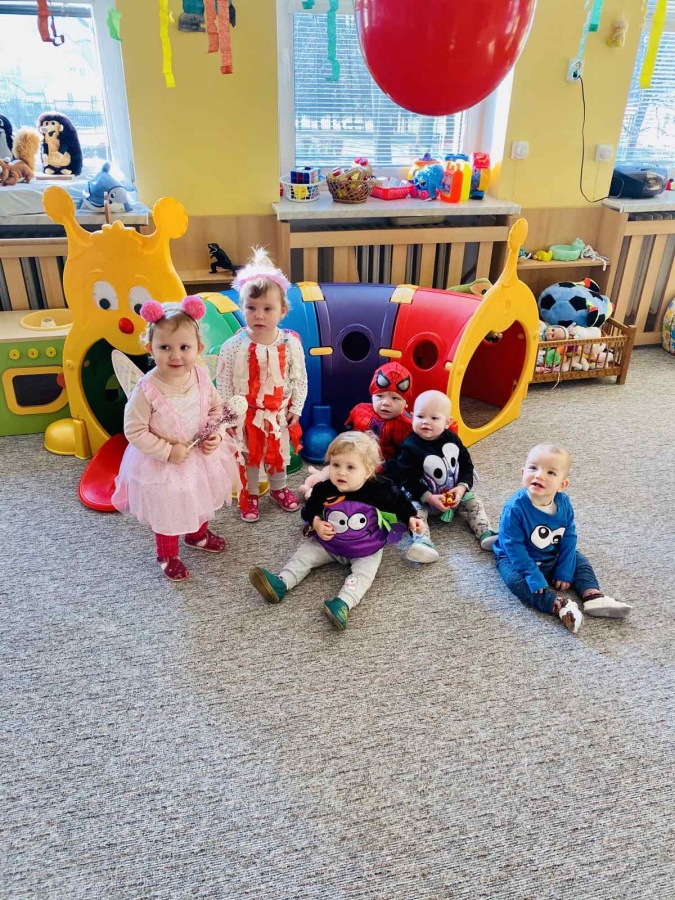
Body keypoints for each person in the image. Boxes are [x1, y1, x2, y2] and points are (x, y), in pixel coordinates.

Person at [111, 297, 240, 581]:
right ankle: (167, 554)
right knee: (168, 510)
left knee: (201, 495)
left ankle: (197, 535)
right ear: (150, 349)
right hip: (163, 464)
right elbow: (135, 431)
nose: (175, 356)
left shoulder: (201, 376)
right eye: (165, 348)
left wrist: (215, 434)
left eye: (184, 347)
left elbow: (216, 409)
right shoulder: (146, 390)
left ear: (198, 348)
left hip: (200, 457)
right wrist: (167, 451)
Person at [248, 431, 425, 631]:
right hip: (329, 543)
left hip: (366, 549)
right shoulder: (324, 489)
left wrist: (411, 517)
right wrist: (316, 522)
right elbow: (310, 510)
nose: (341, 473)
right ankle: (281, 583)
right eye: (335, 465)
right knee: (304, 555)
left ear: (367, 471)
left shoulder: (380, 489)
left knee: (364, 576)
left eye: (350, 467)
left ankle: (343, 604)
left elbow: (400, 502)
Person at [493, 443, 632, 633]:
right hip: (517, 559)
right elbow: (513, 546)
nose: (539, 475)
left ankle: (592, 595)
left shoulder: (564, 503)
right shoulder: (515, 508)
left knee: (579, 560)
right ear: (523, 472)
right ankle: (559, 605)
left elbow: (569, 536)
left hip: (551, 553)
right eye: (533, 468)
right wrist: (532, 574)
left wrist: (565, 569)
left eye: (551, 472)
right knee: (515, 581)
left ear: (562, 485)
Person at [217, 247, 307, 522]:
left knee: (278, 453)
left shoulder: (290, 342)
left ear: (282, 311)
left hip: (278, 413)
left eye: (268, 309)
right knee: (250, 456)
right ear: (242, 307)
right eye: (251, 308)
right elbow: (224, 384)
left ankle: (279, 489)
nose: (259, 315)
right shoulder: (233, 346)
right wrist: (228, 418)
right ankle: (251, 494)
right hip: (246, 416)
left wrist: (296, 407)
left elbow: (299, 377)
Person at [385, 390, 497, 564]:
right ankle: (422, 542)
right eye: (420, 416)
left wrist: (461, 488)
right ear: (412, 417)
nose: (425, 422)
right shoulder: (409, 447)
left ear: (447, 422)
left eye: (434, 418)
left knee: (474, 502)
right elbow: (407, 479)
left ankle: (485, 532)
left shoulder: (453, 439)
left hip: (452, 497)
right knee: (414, 512)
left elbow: (466, 465)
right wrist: (428, 497)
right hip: (423, 499)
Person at [298, 361, 414, 499]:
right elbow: (346, 436)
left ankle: (321, 494)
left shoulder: (406, 424)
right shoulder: (360, 410)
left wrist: (386, 468)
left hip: (383, 469)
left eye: (395, 398)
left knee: (368, 490)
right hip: (353, 460)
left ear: (406, 402)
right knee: (334, 471)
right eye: (379, 396)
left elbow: (405, 458)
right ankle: (314, 481)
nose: (386, 403)